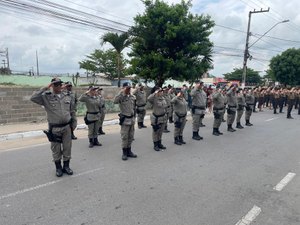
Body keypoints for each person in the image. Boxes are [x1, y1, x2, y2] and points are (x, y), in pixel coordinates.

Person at [30, 78, 77, 177]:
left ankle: (66, 167)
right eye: (55, 84)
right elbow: (33, 98)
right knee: (56, 149)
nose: (59, 86)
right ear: (52, 86)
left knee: (67, 148)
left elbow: (72, 111)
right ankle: (58, 168)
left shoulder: (67, 96)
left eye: (60, 84)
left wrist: (74, 124)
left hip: (67, 127)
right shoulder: (46, 97)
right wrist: (46, 87)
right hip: (54, 128)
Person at [114, 82, 137, 160]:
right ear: (123, 88)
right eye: (127, 88)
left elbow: (134, 108)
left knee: (131, 136)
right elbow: (115, 101)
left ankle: (129, 151)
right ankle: (124, 153)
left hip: (131, 119)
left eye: (129, 88)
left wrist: (134, 117)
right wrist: (122, 92)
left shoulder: (133, 97)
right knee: (125, 137)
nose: (128, 89)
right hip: (125, 120)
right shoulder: (121, 97)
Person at [148, 87, 168, 151]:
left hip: (163, 117)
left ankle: (159, 143)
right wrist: (155, 93)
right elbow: (148, 98)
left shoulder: (163, 98)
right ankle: (155, 145)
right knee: (155, 132)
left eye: (161, 91)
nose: (161, 92)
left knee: (160, 132)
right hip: (156, 118)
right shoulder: (154, 99)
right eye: (160, 91)